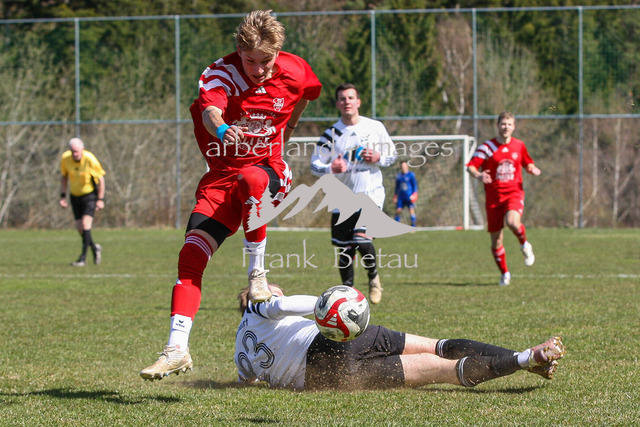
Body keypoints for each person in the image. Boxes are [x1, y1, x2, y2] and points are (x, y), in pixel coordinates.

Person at [140, 10, 322, 381]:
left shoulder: (296, 70)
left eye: (265, 60)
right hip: (221, 179)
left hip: (268, 171)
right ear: (239, 51)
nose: (258, 69)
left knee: (252, 178)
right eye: (250, 60)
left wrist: (288, 128)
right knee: (190, 255)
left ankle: (257, 274)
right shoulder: (220, 74)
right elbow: (210, 111)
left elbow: (306, 94)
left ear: (278, 52)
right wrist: (222, 129)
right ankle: (177, 348)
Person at [235, 284, 566, 391]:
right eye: (270, 287)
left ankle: (525, 359)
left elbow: (247, 379)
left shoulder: (240, 350)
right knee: (437, 348)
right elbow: (285, 305)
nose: (275, 289)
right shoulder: (260, 305)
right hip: (333, 342)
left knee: (440, 370)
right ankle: (522, 357)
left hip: (326, 377)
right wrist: (328, 306)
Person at [310, 83, 396, 304]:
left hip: (371, 195)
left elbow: (392, 155)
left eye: (350, 97)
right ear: (337, 104)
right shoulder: (331, 134)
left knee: (361, 239)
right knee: (346, 249)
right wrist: (331, 168)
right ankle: (348, 293)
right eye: (342, 98)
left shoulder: (374, 127)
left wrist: (378, 157)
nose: (346, 102)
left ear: (358, 102)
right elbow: (314, 165)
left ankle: (374, 279)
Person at [466, 112, 541, 286]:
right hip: (493, 198)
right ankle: (505, 273)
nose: (506, 127)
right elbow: (471, 166)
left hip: (514, 192)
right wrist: (478, 175)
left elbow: (527, 162)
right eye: (503, 124)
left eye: (509, 124)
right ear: (497, 125)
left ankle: (524, 245)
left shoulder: (519, 146)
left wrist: (532, 168)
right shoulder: (487, 147)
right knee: (496, 240)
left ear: (514, 127)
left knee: (512, 222)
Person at [59, 137, 105, 267]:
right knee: (80, 229)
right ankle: (95, 248)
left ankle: (83, 259)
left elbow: (101, 179)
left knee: (85, 225)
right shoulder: (65, 159)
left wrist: (100, 199)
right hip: (75, 196)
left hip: (89, 196)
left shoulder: (90, 159)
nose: (75, 154)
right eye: (72, 151)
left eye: (77, 151)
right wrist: (63, 196)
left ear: (82, 149)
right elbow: (64, 177)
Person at [393, 161, 418, 226]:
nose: (403, 167)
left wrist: (414, 194)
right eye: (402, 166)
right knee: (398, 210)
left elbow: (414, 185)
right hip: (401, 197)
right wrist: (395, 196)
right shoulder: (399, 176)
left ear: (407, 166)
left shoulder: (411, 175)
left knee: (411, 210)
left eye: (404, 166)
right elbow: (397, 187)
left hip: (409, 197)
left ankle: (413, 226)